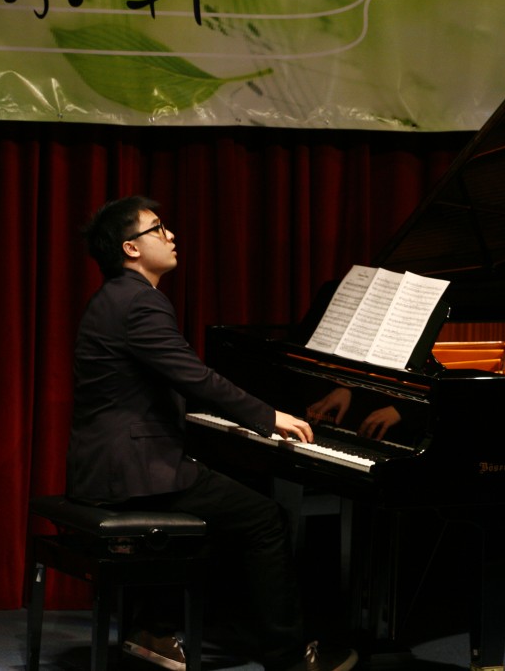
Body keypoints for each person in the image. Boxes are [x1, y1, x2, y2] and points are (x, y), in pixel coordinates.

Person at [65, 195, 357, 671]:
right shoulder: (141, 302)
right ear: (131, 248)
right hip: (134, 471)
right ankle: (288, 657)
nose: (171, 235)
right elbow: (196, 378)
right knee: (265, 518)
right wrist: (269, 416)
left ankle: (155, 628)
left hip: (108, 464)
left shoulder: (112, 297)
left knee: (227, 514)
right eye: (157, 228)